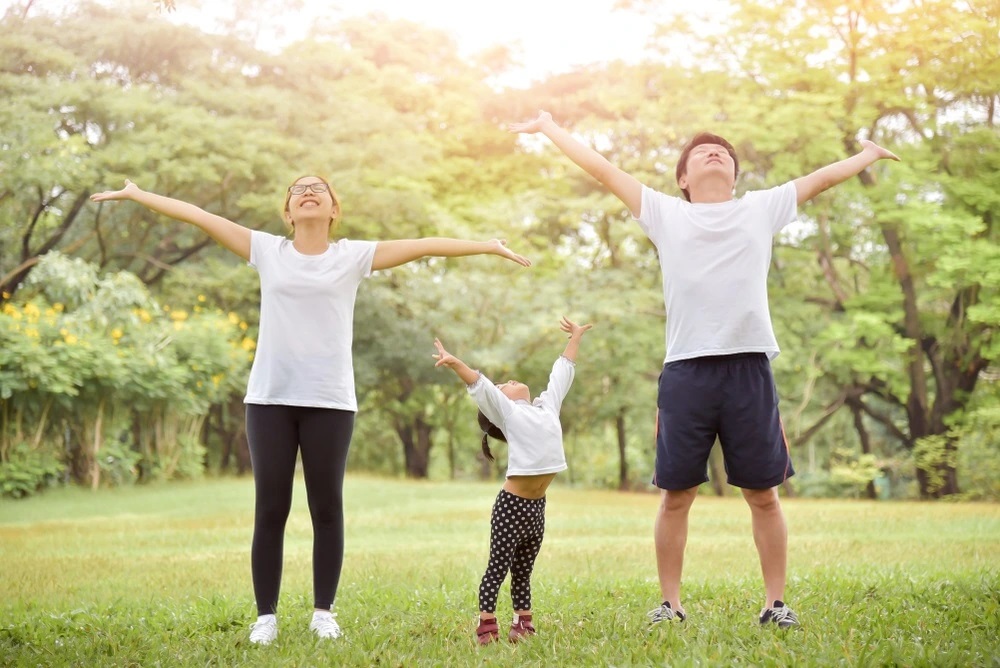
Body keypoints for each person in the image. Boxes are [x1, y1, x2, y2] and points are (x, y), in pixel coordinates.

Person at [90, 176, 531, 645]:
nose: (308, 191)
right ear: (288, 212)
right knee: (271, 508)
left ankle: (324, 612)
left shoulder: (351, 257)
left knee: (326, 507)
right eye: (298, 189)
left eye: (318, 188)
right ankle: (266, 617)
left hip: (330, 401)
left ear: (333, 209)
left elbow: (423, 245)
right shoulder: (266, 251)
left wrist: (485, 245)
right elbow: (200, 216)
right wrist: (139, 195)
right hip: (269, 400)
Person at [508, 111, 899, 628]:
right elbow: (602, 169)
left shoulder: (760, 208)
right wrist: (551, 128)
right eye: (700, 152)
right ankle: (670, 604)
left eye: (724, 153)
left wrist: (867, 156)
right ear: (683, 179)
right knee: (677, 494)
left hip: (749, 368)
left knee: (764, 493)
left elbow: (821, 179)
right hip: (687, 371)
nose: (714, 152)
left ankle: (774, 604)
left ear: (735, 175)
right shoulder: (665, 213)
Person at [432, 316, 592, 645]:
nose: (509, 380)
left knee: (523, 571)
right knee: (498, 567)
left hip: (536, 509)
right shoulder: (509, 413)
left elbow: (562, 372)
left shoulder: (547, 407)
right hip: (511, 506)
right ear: (500, 403)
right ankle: (487, 624)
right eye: (505, 384)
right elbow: (480, 385)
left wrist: (574, 337)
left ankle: (523, 624)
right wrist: (455, 363)